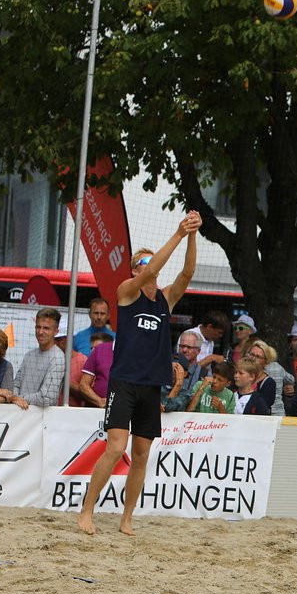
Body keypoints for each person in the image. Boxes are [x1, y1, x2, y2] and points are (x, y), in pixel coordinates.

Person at [79, 211, 201, 536]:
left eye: (151, 264)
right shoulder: (127, 292)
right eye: (145, 264)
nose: (152, 269)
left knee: (142, 453)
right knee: (116, 448)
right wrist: (177, 233)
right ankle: (87, 510)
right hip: (124, 383)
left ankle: (127, 518)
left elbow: (188, 272)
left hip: (151, 386)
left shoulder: (166, 299)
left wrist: (191, 234)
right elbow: (156, 267)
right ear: (135, 271)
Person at [13, 307, 65, 408]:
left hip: (42, 420)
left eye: (46, 328)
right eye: (38, 327)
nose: (40, 332)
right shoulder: (29, 355)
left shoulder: (58, 358)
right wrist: (15, 397)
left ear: (56, 331)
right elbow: (16, 384)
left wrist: (18, 399)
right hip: (19, 416)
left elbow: (47, 398)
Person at [162, 332, 202, 412]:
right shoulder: (160, 382)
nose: (184, 350)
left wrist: (179, 383)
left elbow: (166, 406)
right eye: (182, 346)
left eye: (189, 347)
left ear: (198, 351)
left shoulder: (204, 373)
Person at [246, 339, 286, 416]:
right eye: (251, 354)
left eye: (257, 356)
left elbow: (262, 409)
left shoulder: (269, 383)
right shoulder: (241, 376)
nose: (253, 359)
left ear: (266, 362)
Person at [79, 333, 114, 409]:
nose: (93, 351)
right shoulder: (86, 362)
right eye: (92, 348)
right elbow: (83, 385)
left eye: (96, 348)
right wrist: (99, 401)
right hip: (94, 409)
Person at [190, 310, 230, 377]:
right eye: (219, 332)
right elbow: (187, 369)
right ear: (209, 327)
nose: (220, 336)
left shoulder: (211, 341)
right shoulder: (189, 337)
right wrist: (211, 358)